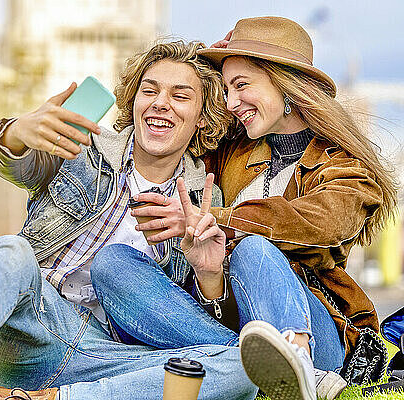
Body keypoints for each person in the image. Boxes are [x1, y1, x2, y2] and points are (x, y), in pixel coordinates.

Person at [0, 40, 259, 400]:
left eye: (180, 96)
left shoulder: (203, 200)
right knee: (10, 249)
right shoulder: (80, 146)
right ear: (133, 103)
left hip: (110, 357)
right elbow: (16, 163)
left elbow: (188, 322)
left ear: (202, 118)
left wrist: (209, 275)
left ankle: (40, 398)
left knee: (242, 366)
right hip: (33, 324)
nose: (161, 103)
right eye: (150, 91)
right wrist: (16, 132)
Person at [91, 16, 399, 400]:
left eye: (241, 85)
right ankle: (245, 367)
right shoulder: (230, 151)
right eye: (225, 89)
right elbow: (177, 115)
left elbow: (322, 222)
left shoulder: (347, 168)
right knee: (112, 264)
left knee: (254, 249)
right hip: (224, 320)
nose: (232, 102)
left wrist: (220, 220)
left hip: (319, 332)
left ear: (285, 83)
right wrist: (205, 63)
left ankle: (301, 364)